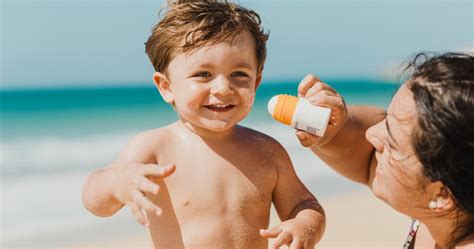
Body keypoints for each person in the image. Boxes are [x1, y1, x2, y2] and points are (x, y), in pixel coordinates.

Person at [81, 1, 325, 248]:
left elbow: (304, 205)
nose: (222, 88)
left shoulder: (267, 152)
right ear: (166, 87)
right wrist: (118, 183)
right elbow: (94, 199)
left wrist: (305, 225)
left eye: (239, 74)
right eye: (203, 75)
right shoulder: (157, 148)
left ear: (256, 82)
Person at [294, 52, 474, 248]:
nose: (371, 134)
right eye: (388, 120)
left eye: (392, 143)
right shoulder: (445, 213)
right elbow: (367, 157)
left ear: (441, 195)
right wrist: (335, 125)